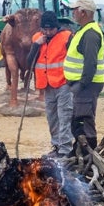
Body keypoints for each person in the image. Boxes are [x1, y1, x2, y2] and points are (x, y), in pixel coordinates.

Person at [26, 11, 74, 158]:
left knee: (64, 115)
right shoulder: (37, 39)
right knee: (51, 117)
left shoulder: (67, 37)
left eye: (50, 29)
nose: (47, 32)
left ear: (56, 27)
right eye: (44, 29)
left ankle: (65, 150)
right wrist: (36, 45)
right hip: (47, 85)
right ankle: (57, 145)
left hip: (63, 83)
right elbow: (29, 62)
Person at [64, 0, 104, 152]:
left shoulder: (90, 34)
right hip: (84, 84)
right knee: (78, 120)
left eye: (75, 10)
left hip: (87, 85)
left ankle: (88, 154)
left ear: (83, 12)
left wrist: (81, 85)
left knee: (83, 120)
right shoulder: (84, 31)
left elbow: (90, 63)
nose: (73, 13)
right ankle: (80, 150)